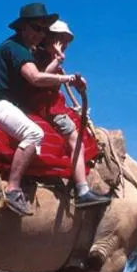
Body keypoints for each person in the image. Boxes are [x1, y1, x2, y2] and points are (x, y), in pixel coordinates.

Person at [0, 3, 95, 216]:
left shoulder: (22, 49)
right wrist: (68, 77)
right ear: (23, 27)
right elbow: (35, 78)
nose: (40, 34)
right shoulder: (16, 49)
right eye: (37, 28)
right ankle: (13, 190)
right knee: (34, 133)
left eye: (43, 30)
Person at [28, 20, 110, 208]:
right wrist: (58, 59)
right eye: (59, 39)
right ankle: (82, 189)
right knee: (74, 138)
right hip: (45, 107)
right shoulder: (39, 56)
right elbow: (39, 79)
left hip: (53, 105)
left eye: (65, 40)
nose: (63, 44)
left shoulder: (47, 57)